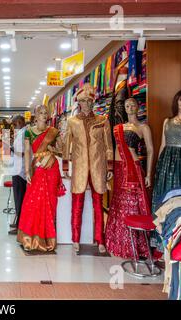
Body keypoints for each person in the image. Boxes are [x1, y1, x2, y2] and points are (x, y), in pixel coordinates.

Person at [63, 84, 113, 254]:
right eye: (83, 101)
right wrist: (65, 166)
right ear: (79, 103)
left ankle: (100, 239)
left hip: (98, 166)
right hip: (79, 167)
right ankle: (75, 239)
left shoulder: (102, 121)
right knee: (77, 204)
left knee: (98, 205)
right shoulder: (72, 121)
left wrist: (110, 166)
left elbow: (108, 145)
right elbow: (66, 144)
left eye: (89, 101)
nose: (87, 104)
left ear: (93, 102)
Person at [105, 98, 154, 258]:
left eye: (133, 105)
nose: (130, 107)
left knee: (131, 204)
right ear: (124, 109)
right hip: (118, 169)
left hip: (132, 167)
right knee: (118, 203)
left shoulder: (143, 127)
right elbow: (112, 149)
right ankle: (117, 241)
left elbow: (151, 150)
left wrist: (148, 173)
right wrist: (110, 168)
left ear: (137, 107)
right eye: (127, 106)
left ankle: (133, 244)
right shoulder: (118, 127)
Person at [17, 105, 64, 252]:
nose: (44, 115)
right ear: (35, 116)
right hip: (37, 167)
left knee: (49, 201)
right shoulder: (29, 132)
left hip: (51, 167)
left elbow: (62, 150)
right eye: (40, 113)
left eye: (46, 113)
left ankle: (47, 238)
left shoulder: (53, 132)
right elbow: (26, 151)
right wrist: (27, 171)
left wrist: (52, 150)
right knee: (32, 202)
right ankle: (29, 237)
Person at [152, 89, 181, 211]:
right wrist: (158, 165)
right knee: (165, 189)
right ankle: (161, 225)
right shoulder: (167, 121)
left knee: (180, 190)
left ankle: (177, 226)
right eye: (180, 99)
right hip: (167, 160)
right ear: (176, 102)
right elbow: (162, 144)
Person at [8, 115, 27, 235]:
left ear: (19, 122)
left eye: (14, 125)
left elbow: (23, 153)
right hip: (17, 169)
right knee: (18, 199)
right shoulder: (21, 133)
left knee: (19, 199)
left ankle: (20, 226)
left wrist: (11, 148)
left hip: (20, 171)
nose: (14, 127)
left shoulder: (24, 133)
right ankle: (18, 221)